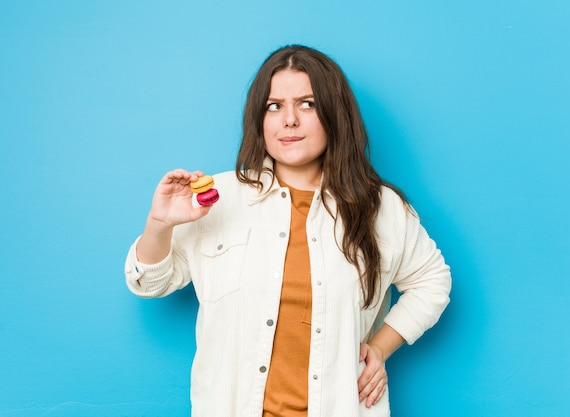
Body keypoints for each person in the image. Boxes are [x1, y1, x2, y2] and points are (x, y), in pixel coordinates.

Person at [124, 44, 451, 417]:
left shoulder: (380, 208)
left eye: (308, 104)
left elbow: (433, 280)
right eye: (274, 106)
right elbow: (149, 283)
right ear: (260, 119)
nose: (288, 120)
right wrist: (159, 225)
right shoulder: (218, 197)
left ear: (334, 114)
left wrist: (379, 347)